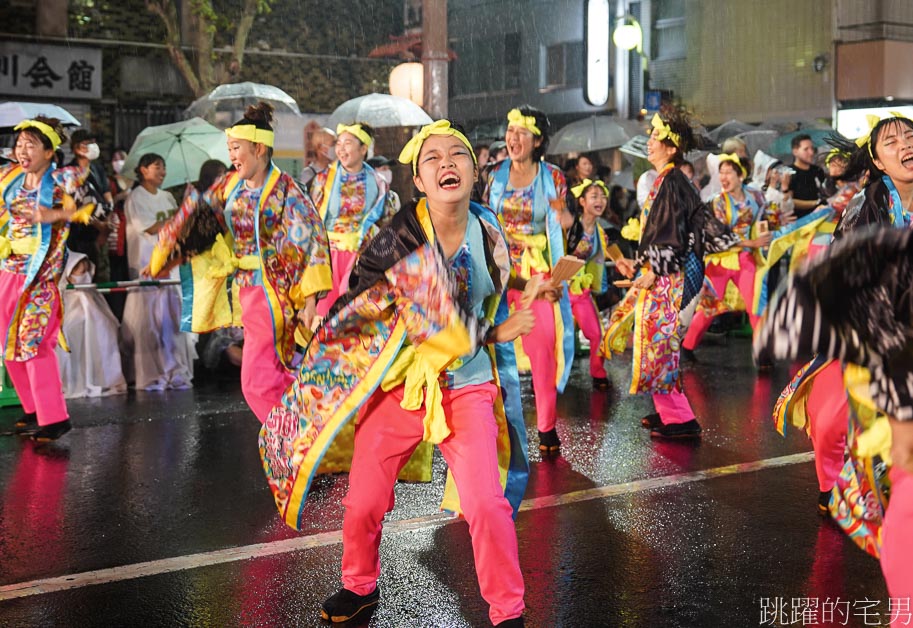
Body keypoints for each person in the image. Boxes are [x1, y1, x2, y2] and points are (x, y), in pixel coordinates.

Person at [259, 120, 531, 626]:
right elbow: (413, 317)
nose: (447, 163)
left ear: (474, 170)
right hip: (401, 384)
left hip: (465, 386)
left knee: (487, 506)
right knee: (363, 500)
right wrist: (496, 333)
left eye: (458, 155)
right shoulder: (400, 235)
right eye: (433, 158)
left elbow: (491, 294)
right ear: (419, 181)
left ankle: (508, 612)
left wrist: (527, 299)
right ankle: (359, 586)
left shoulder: (490, 228)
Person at [764, 114, 913, 586]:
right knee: (828, 419)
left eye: (911, 135)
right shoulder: (867, 206)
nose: (906, 143)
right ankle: (832, 489)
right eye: (892, 140)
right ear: (876, 159)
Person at [149, 102, 332, 421]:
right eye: (229, 148)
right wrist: (169, 254)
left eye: (236, 148)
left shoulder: (288, 191)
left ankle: (290, 441)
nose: (231, 156)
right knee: (276, 374)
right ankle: (316, 428)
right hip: (244, 291)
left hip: (275, 293)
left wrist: (310, 301)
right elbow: (200, 223)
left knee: (256, 381)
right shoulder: (229, 185)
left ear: (259, 148)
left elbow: (312, 243)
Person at [601, 110, 738, 439]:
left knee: (660, 346)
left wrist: (655, 268)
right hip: (668, 273)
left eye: (655, 139)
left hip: (671, 278)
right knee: (659, 346)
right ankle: (672, 413)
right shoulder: (669, 179)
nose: (648, 143)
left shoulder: (673, 181)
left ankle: (680, 419)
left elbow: (675, 234)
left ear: (672, 147)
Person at [483, 106, 575, 452]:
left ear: (537, 141)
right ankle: (495, 428)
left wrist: (558, 279)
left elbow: (559, 223)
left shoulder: (552, 177)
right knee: (494, 349)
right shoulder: (493, 176)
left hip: (538, 272)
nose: (513, 138)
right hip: (500, 270)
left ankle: (547, 428)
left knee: (542, 350)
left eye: (522, 133)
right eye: (510, 131)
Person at [0, 117, 88, 441]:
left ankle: (54, 418)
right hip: (8, 272)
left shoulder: (63, 181)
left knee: (34, 344)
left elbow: (90, 208)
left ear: (50, 152)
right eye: (19, 144)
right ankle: (33, 409)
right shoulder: (10, 180)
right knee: (8, 345)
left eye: (31, 145)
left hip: (41, 279)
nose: (22, 150)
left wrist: (53, 214)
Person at [681, 154, 773, 360]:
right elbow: (718, 233)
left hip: (746, 259)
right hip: (721, 261)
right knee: (709, 307)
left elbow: (764, 219)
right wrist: (751, 242)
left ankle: (762, 352)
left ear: (741, 176)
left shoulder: (756, 197)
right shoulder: (717, 202)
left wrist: (770, 226)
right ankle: (687, 347)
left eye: (728, 172)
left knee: (757, 302)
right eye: (721, 172)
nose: (723, 177)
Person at [121, 152, 196, 391]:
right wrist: (178, 216)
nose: (162, 172)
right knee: (149, 323)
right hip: (147, 266)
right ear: (143, 170)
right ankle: (150, 373)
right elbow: (150, 228)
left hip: (169, 266)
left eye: (163, 168)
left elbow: (179, 227)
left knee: (172, 321)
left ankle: (174, 368)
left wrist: (185, 209)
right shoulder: (136, 198)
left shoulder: (166, 197)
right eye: (157, 167)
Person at [310, 123, 392, 317]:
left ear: (363, 149)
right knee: (325, 316)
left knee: (354, 317)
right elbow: (312, 218)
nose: (341, 148)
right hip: (328, 256)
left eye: (348, 143)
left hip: (361, 256)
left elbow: (385, 221)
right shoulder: (323, 180)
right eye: (339, 143)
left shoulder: (378, 183)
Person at [56, 251, 127, 398]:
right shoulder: (65, 301)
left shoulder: (94, 296)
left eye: (87, 270)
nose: (86, 275)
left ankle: (102, 376)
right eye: (80, 272)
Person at [566, 179, 610, 389]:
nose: (600, 200)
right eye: (594, 196)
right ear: (582, 201)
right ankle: (546, 381)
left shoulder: (599, 230)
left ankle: (598, 373)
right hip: (560, 289)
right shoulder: (569, 225)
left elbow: (606, 251)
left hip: (581, 290)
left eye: (602, 196)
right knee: (556, 338)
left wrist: (622, 261)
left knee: (595, 334)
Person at [66, 129, 115, 283]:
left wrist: (107, 222)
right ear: (75, 148)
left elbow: (106, 195)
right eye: (86, 144)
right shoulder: (69, 173)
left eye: (92, 142)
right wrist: (99, 225)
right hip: (81, 234)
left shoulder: (97, 169)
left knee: (102, 278)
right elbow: (76, 207)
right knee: (83, 277)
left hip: (102, 231)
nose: (91, 146)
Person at [785, 134, 825, 218]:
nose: (811, 153)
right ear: (795, 151)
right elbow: (789, 201)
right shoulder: (789, 172)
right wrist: (815, 203)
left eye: (812, 148)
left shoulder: (817, 170)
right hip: (800, 221)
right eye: (806, 149)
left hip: (821, 216)